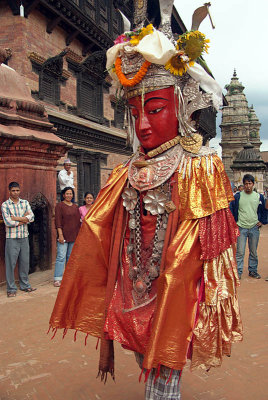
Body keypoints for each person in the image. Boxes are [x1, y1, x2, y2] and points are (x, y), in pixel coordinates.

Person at [50, 2, 242, 398]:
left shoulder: (199, 169)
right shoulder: (127, 171)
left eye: (154, 109)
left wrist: (189, 286)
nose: (141, 124)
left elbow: (211, 248)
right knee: (142, 354)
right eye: (134, 112)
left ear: (184, 107)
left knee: (164, 367)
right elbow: (104, 233)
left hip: (175, 290)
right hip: (133, 285)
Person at [1, 182, 36, 297]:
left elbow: (32, 217)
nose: (15, 193)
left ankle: (25, 285)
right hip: (12, 238)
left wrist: (16, 218)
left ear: (20, 190)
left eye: (17, 190)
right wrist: (24, 219)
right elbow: (8, 222)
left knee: (25, 262)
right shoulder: (5, 205)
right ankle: (11, 288)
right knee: (10, 264)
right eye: (13, 191)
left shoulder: (25, 203)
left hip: (24, 237)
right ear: (9, 191)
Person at [230, 174, 267, 279]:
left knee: (253, 251)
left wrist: (262, 221)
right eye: (246, 183)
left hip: (254, 227)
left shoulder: (258, 197)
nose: (248, 186)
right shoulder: (237, 197)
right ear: (243, 184)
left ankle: (253, 270)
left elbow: (264, 210)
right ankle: (238, 272)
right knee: (240, 252)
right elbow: (231, 210)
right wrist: (234, 222)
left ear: (253, 184)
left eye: (250, 183)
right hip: (241, 227)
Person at [54, 187, 80, 287]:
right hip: (63, 236)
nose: (69, 195)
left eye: (71, 193)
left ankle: (68, 277)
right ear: (63, 195)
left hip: (74, 236)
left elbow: (78, 222)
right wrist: (60, 235)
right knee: (61, 257)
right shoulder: (59, 206)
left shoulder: (75, 207)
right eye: (67, 193)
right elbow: (58, 222)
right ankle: (57, 278)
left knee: (70, 257)